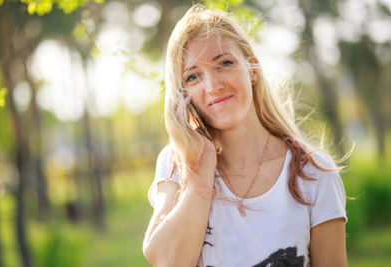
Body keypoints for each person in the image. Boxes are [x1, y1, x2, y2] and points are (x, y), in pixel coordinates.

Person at [143, 4, 347, 267]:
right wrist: (201, 173)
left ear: (252, 69)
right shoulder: (176, 163)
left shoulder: (315, 172)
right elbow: (166, 261)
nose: (213, 86)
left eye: (224, 63)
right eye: (193, 76)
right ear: (182, 95)